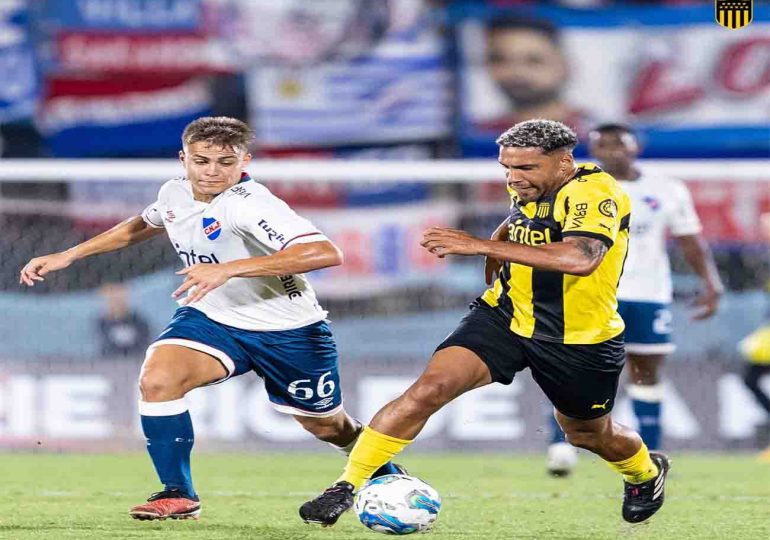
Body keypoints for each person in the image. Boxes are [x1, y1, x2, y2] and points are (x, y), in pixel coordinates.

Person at [19, 116, 401, 521]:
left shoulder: (252, 205)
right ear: (183, 159)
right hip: (213, 318)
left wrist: (228, 268)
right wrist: (69, 255)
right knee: (158, 379)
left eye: (225, 162)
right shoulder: (174, 192)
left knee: (329, 428)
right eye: (202, 161)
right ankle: (179, 493)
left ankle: (391, 479)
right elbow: (142, 225)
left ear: (244, 161)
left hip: (288, 331)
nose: (212, 172)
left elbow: (325, 253)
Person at [299, 119, 669, 527]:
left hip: (578, 335)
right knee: (429, 389)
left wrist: (478, 246)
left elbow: (581, 259)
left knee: (585, 434)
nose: (514, 177)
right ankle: (346, 486)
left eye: (526, 168)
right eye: (506, 167)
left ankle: (644, 473)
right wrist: (497, 253)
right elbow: (519, 221)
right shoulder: (527, 187)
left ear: (564, 162)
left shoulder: (595, 193)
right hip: (504, 315)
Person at [546, 123, 723, 476]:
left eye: (618, 144)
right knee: (575, 369)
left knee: (647, 370)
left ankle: (651, 449)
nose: (611, 151)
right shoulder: (574, 186)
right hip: (590, 292)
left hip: (648, 293)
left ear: (635, 147)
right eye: (602, 145)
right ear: (593, 151)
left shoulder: (667, 188)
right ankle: (560, 446)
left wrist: (711, 282)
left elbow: (689, 239)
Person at [478, 16, 593, 138]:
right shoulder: (481, 133)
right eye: (499, 60)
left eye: (534, 61)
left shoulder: (593, 133)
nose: (516, 72)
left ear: (565, 67)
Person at [97, 283, 151, 358]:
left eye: (120, 299)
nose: (116, 303)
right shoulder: (101, 324)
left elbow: (144, 343)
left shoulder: (139, 321)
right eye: (112, 299)